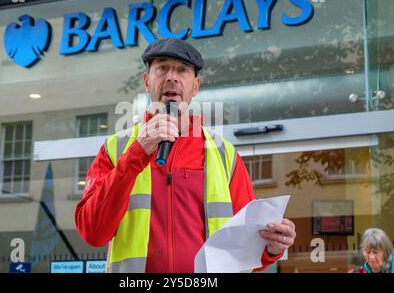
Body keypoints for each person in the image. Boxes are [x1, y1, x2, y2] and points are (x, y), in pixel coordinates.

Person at [75, 38, 296, 273]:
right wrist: (136, 155)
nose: (172, 77)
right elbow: (93, 232)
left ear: (195, 86)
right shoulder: (116, 149)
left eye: (182, 70)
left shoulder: (224, 154)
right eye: (162, 68)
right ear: (147, 82)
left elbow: (246, 249)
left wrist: (271, 247)